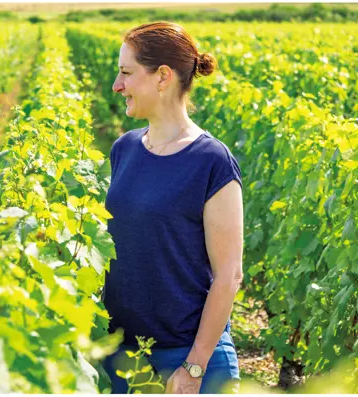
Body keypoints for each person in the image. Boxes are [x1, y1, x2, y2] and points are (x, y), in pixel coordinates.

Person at [102, 22, 243, 394]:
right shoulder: (124, 149)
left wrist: (193, 368)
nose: (117, 85)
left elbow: (229, 275)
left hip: (186, 359)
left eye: (126, 73)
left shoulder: (212, 161)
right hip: (122, 355)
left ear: (162, 77)